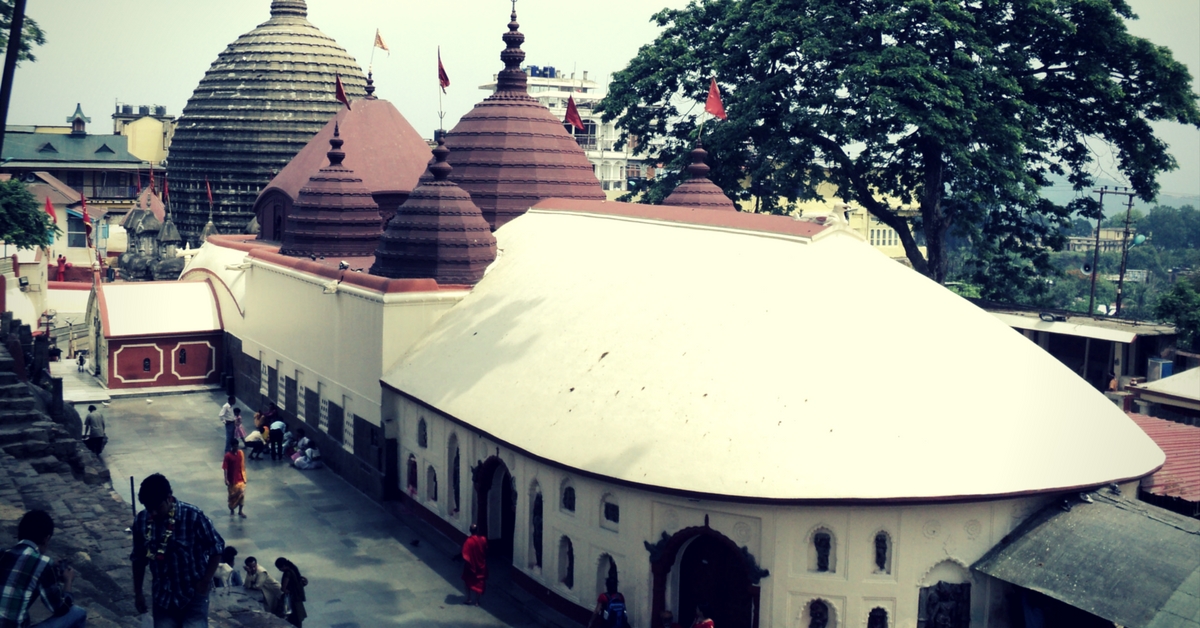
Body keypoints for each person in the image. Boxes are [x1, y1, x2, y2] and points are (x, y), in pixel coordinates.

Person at [131, 473, 225, 628]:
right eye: (149, 508)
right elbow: (138, 559)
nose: (153, 513)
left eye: (157, 508)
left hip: (192, 594)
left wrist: (205, 581)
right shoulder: (142, 521)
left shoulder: (193, 516)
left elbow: (217, 547)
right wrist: (138, 593)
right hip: (162, 597)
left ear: (169, 498)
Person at [0, 510, 87, 628]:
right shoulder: (43, 564)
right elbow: (60, 608)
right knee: (78, 613)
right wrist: (68, 581)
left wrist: (47, 567)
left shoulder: (3, 553)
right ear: (46, 539)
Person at [274, 558, 306, 627]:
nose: (280, 570)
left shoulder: (287, 573)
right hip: (297, 598)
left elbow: (283, 588)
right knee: (298, 618)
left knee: (292, 617)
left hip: (292, 599)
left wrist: (285, 590)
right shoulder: (293, 569)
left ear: (283, 566)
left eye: (280, 568)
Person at [460, 524, 487, 606]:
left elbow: (465, 554)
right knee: (480, 582)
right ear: (477, 530)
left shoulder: (468, 541)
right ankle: (477, 601)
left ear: (470, 531)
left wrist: (469, 562)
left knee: (467, 580)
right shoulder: (483, 539)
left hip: (471, 566)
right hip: (481, 564)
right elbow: (486, 550)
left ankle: (469, 598)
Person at [222, 442, 247, 518]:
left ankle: (240, 511)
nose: (236, 448)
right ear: (231, 446)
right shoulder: (228, 456)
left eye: (237, 446)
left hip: (240, 478)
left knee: (241, 495)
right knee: (232, 496)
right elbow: (225, 468)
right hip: (232, 479)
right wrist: (226, 479)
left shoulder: (240, 453)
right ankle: (232, 510)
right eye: (234, 446)